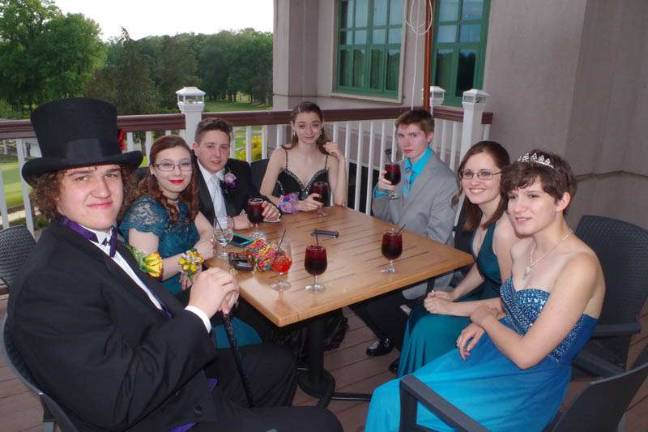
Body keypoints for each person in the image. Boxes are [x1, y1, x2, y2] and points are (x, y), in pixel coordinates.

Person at [7, 97, 342, 432]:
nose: (103, 189)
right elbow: (119, 400)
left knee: (279, 362)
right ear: (52, 192)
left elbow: (149, 302)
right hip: (159, 412)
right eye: (81, 177)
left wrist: (205, 300)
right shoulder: (49, 284)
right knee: (324, 423)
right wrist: (197, 312)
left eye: (110, 174)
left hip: (176, 374)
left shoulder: (98, 240)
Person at [365, 149, 605, 432]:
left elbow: (527, 355)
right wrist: (492, 323)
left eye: (533, 196)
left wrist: (484, 319)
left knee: (394, 403)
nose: (517, 207)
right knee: (390, 394)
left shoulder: (579, 265)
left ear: (562, 200)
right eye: (514, 196)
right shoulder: (522, 247)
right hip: (492, 351)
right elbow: (513, 307)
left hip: (527, 383)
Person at [120, 135, 261, 348]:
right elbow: (149, 271)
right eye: (167, 165)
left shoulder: (181, 200)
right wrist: (192, 257)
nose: (177, 172)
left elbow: (209, 232)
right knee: (247, 339)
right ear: (153, 170)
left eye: (184, 164)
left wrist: (191, 263)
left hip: (192, 288)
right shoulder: (146, 209)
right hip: (166, 305)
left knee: (251, 329)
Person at [398, 141, 518, 375]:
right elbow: (484, 265)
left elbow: (511, 303)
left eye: (485, 174)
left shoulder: (507, 229)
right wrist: (455, 293)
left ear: (504, 177)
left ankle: (428, 394)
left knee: (428, 327)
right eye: (468, 173)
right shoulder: (480, 213)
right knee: (421, 312)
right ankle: (415, 381)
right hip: (486, 300)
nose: (474, 181)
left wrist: (452, 307)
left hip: (502, 317)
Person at [351, 109, 458, 367]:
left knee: (376, 300)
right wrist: (379, 191)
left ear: (429, 137)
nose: (406, 143)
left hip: (430, 264)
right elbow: (382, 215)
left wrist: (397, 259)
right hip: (395, 254)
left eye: (414, 135)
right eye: (401, 136)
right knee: (353, 289)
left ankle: (408, 350)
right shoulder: (395, 170)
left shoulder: (445, 179)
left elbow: (438, 238)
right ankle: (388, 335)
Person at [260, 101, 347, 212]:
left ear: (322, 124)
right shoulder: (281, 154)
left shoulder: (329, 158)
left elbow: (340, 202)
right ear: (293, 126)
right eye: (302, 126)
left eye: (315, 125)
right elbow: (264, 196)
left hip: (320, 224)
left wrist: (342, 160)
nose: (309, 131)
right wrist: (297, 205)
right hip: (287, 225)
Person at [192, 118, 280, 227]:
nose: (218, 154)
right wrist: (230, 223)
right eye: (210, 146)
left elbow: (256, 201)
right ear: (195, 148)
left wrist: (269, 211)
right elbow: (184, 225)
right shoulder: (184, 175)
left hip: (235, 241)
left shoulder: (239, 169)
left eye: (224, 147)